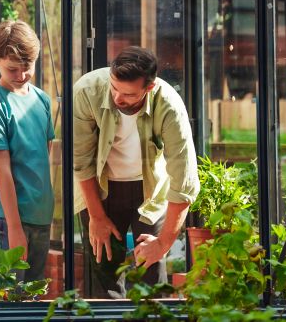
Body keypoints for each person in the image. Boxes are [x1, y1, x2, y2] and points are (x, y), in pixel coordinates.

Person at [72, 46, 199, 298]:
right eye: (114, 88)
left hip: (149, 188)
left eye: (128, 94)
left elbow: (183, 182)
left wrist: (162, 245)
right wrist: (96, 217)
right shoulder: (87, 91)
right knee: (103, 272)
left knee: (151, 273)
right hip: (100, 186)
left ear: (148, 88)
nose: (118, 98)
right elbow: (80, 161)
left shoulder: (169, 106)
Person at [0, 20, 55, 283]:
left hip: (41, 212)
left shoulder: (43, 100)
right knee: (8, 294)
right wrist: (13, 228)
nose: (21, 75)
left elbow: (40, 159)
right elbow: (3, 171)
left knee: (34, 292)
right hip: (10, 217)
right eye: (13, 69)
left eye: (27, 68)